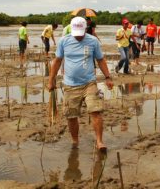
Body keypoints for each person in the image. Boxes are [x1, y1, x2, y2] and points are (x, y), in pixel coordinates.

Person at [48, 17, 113, 150]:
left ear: (85, 29)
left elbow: (100, 60)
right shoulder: (64, 41)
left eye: (81, 33)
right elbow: (57, 61)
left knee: (95, 111)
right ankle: (75, 141)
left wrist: (108, 77)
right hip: (70, 85)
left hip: (89, 83)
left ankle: (99, 142)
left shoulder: (93, 41)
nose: (78, 36)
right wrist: (51, 80)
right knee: (71, 116)